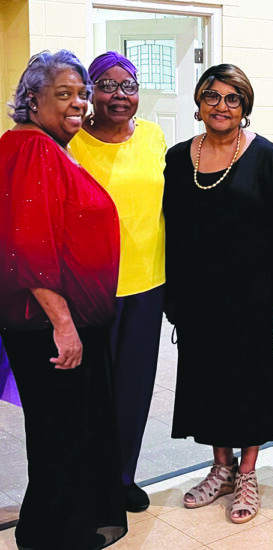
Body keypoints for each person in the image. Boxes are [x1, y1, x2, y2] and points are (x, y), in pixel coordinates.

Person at [163, 63, 273, 524]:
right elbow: (172, 231)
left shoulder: (267, 158)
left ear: (245, 106)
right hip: (199, 300)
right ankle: (220, 468)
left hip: (254, 301)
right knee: (207, 383)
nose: (221, 106)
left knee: (250, 386)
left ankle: (247, 473)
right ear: (198, 102)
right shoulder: (178, 158)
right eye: (212, 96)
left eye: (232, 98)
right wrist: (173, 295)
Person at [0, 50, 126, 550]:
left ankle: (55, 530)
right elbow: (29, 246)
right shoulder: (33, 148)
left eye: (81, 94)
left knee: (67, 432)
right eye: (64, 94)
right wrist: (64, 325)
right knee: (62, 435)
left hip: (64, 320)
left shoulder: (43, 145)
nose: (79, 103)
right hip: (51, 325)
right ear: (32, 99)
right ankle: (51, 536)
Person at [70, 51, 167, 513]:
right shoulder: (71, 143)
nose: (120, 95)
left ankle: (123, 476)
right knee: (92, 389)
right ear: (91, 92)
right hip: (91, 286)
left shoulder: (153, 137)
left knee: (134, 386)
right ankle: (88, 478)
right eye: (107, 85)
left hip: (148, 283)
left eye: (128, 85)